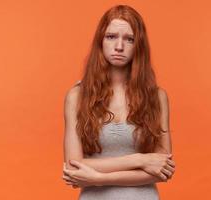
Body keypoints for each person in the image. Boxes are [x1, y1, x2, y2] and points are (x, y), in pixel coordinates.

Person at [62, 4, 176, 200]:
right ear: (101, 41)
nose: (119, 46)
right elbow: (73, 165)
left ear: (138, 45)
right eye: (111, 36)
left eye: (129, 39)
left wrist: (97, 178)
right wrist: (140, 159)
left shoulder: (157, 97)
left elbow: (162, 169)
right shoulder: (77, 96)